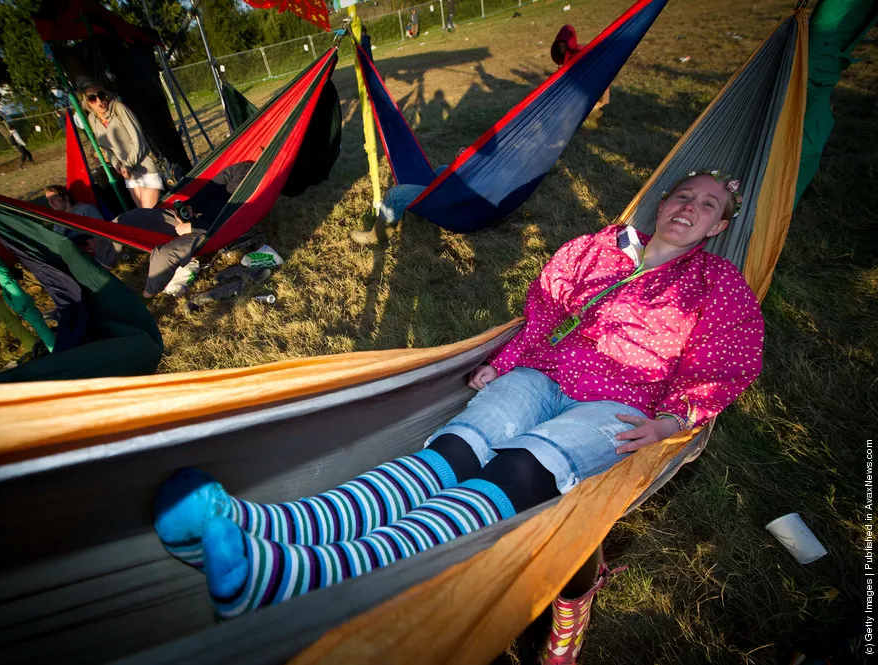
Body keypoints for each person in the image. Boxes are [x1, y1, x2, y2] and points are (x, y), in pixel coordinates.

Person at [153, 171, 764, 658]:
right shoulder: (599, 250)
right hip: (544, 374)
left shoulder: (719, 288)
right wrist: (506, 364)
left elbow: (721, 368)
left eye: (708, 205)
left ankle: (301, 574)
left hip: (622, 402)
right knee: (453, 453)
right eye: (682, 195)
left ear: (720, 226)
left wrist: (671, 421)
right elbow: (544, 315)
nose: (690, 207)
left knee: (519, 469)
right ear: (661, 203)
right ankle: (270, 529)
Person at [92, 160, 255, 298]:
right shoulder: (242, 167)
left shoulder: (253, 178)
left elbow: (230, 217)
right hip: (186, 215)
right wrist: (188, 208)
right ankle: (101, 266)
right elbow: (210, 188)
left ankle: (145, 297)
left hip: (208, 229)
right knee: (122, 221)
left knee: (164, 255)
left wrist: (191, 226)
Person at [79, 80, 163, 209]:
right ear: (87, 103)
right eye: (92, 98)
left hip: (144, 167)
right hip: (128, 174)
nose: (99, 101)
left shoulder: (119, 108)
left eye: (101, 95)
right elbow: (107, 149)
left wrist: (127, 164)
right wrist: (118, 165)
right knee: (143, 215)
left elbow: (139, 141)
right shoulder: (92, 119)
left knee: (149, 213)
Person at [551, 24, 610, 112]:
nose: (562, 49)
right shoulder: (564, 58)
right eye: (560, 47)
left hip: (593, 90)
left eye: (564, 46)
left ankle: (593, 106)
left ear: (569, 44)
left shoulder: (580, 53)